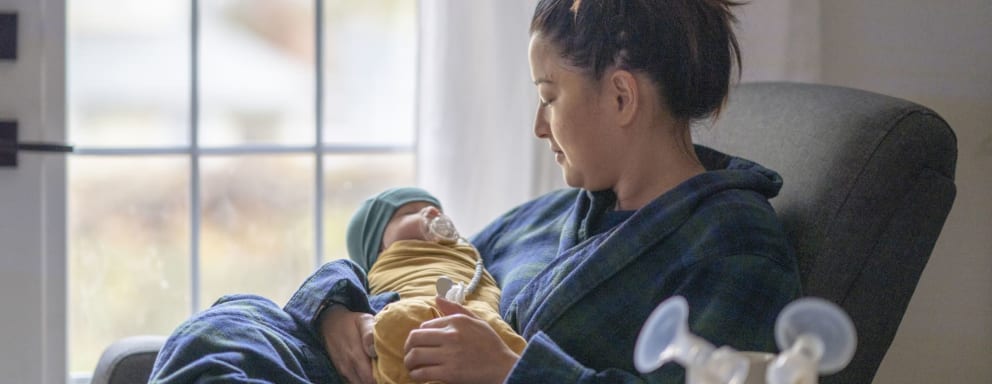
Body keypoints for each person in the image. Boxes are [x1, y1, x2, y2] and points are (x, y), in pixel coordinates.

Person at [150, 1, 801, 383]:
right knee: (225, 327)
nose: (539, 125)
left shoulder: (734, 245)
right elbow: (434, 266)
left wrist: (512, 371)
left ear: (622, 96)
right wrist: (338, 309)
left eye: (550, 97)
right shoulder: (552, 217)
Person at [345, 187, 526, 384]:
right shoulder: (381, 264)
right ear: (378, 245)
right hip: (416, 308)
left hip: (477, 316)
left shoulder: (469, 251)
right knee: (391, 324)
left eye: (437, 209)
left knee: (510, 341)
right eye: (410, 212)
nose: (433, 212)